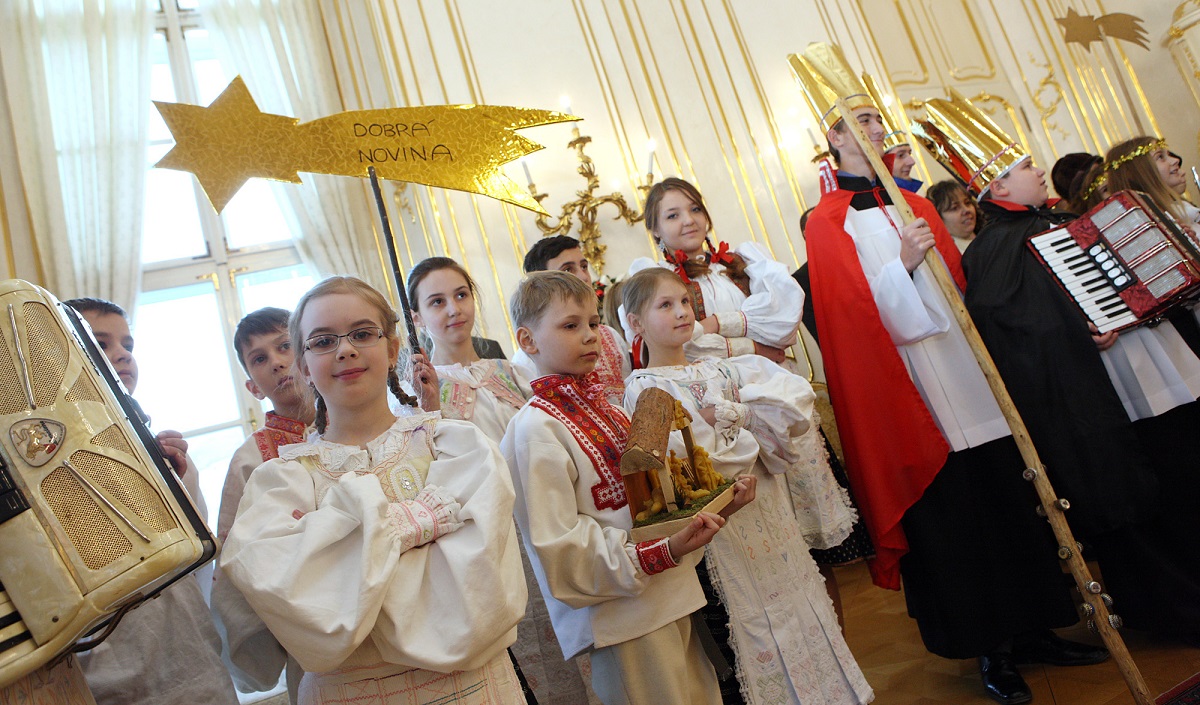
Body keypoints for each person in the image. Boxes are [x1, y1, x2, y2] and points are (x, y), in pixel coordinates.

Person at [793, 49, 1103, 705]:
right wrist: (901, 266)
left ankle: (1039, 627)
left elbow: (958, 295)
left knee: (1012, 507)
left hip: (967, 382)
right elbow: (853, 322)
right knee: (962, 528)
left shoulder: (917, 204)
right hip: (914, 400)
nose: (876, 130)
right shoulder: (827, 223)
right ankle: (992, 648)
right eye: (861, 121)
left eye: (879, 118)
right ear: (836, 138)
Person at [219, 276, 527, 705]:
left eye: (362, 334)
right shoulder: (278, 483)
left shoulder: (456, 447)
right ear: (304, 366)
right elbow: (300, 610)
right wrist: (419, 524)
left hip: (472, 688)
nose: (345, 349)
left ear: (392, 348)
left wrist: (341, 556)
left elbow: (477, 593)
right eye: (323, 341)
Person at [963, 137, 1200, 644]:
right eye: (1026, 166)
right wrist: (1082, 328)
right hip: (1091, 403)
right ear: (998, 184)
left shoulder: (1057, 222)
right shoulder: (992, 250)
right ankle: (1172, 610)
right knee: (1135, 499)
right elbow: (1016, 331)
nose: (1039, 170)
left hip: (1129, 383)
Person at [621, 267, 873, 705]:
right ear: (637, 323)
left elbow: (792, 409)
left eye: (685, 301)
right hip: (724, 523)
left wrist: (740, 419)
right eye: (666, 305)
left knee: (799, 603)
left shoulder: (725, 369)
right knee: (754, 622)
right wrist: (745, 422)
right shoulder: (645, 388)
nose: (682, 311)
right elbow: (692, 460)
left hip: (770, 511)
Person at [500, 271, 748, 705]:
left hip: (670, 595)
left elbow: (652, 501)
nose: (590, 336)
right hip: (621, 618)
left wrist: (715, 506)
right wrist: (662, 551)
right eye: (570, 325)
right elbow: (560, 550)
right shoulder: (533, 430)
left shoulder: (610, 408)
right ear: (527, 340)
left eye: (594, 323)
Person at [406, 256, 596, 705]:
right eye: (436, 301)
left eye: (461, 295)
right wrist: (428, 410)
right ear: (417, 317)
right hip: (493, 537)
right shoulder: (415, 395)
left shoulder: (515, 372)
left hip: (549, 516)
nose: (454, 309)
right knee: (534, 654)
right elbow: (427, 477)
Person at [63, 297, 238, 705]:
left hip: (196, 667)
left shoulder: (166, 456)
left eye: (127, 344)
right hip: (105, 681)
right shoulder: (44, 472)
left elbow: (198, 562)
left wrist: (175, 486)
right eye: (99, 343)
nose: (121, 354)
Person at [210, 307, 314, 703]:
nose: (277, 362)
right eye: (260, 358)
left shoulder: (357, 420)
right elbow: (238, 562)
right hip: (308, 636)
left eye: (285, 346)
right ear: (253, 387)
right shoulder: (251, 458)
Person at [516, 234, 629, 405]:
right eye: (568, 270)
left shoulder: (610, 335)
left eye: (584, 266)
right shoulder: (524, 361)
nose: (583, 277)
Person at [926, 180, 980, 252]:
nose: (966, 210)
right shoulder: (950, 257)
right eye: (954, 208)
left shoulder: (991, 235)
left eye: (967, 203)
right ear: (938, 218)